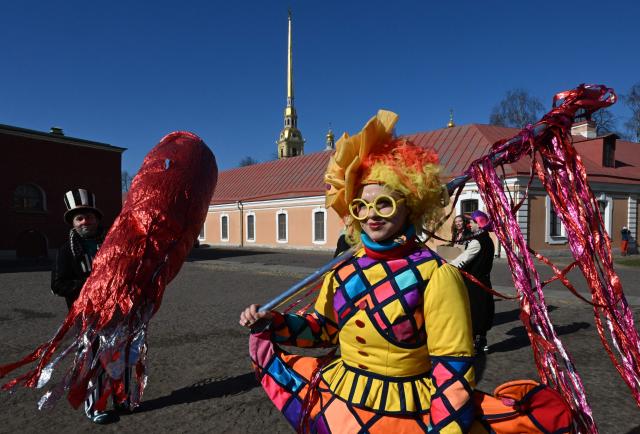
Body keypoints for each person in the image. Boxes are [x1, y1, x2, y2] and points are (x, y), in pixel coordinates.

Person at [51, 189, 129, 425]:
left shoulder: (114, 243)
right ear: (73, 222)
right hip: (87, 318)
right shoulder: (66, 251)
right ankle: (95, 407)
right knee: (93, 361)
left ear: (97, 218)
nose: (86, 221)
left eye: (90, 216)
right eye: (79, 218)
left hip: (117, 312)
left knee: (120, 356)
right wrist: (90, 284)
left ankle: (122, 398)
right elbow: (57, 285)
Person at [450, 210, 495, 355]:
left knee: (474, 311)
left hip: (474, 282)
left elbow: (462, 260)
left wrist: (445, 266)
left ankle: (473, 343)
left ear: (478, 224)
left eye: (472, 222)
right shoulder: (487, 239)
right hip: (484, 281)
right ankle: (481, 341)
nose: (469, 224)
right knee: (482, 310)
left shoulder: (477, 241)